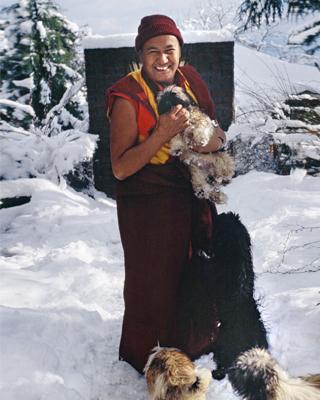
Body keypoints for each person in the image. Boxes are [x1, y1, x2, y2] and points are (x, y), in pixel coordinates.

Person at [106, 14, 226, 374]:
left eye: (169, 50)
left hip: (188, 191)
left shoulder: (190, 81)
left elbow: (216, 131)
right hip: (148, 204)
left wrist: (214, 142)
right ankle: (150, 353)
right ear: (140, 56)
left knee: (195, 269)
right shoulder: (127, 97)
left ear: (180, 51)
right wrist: (162, 133)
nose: (162, 60)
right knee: (154, 279)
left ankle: (194, 341)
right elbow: (121, 168)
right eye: (152, 51)